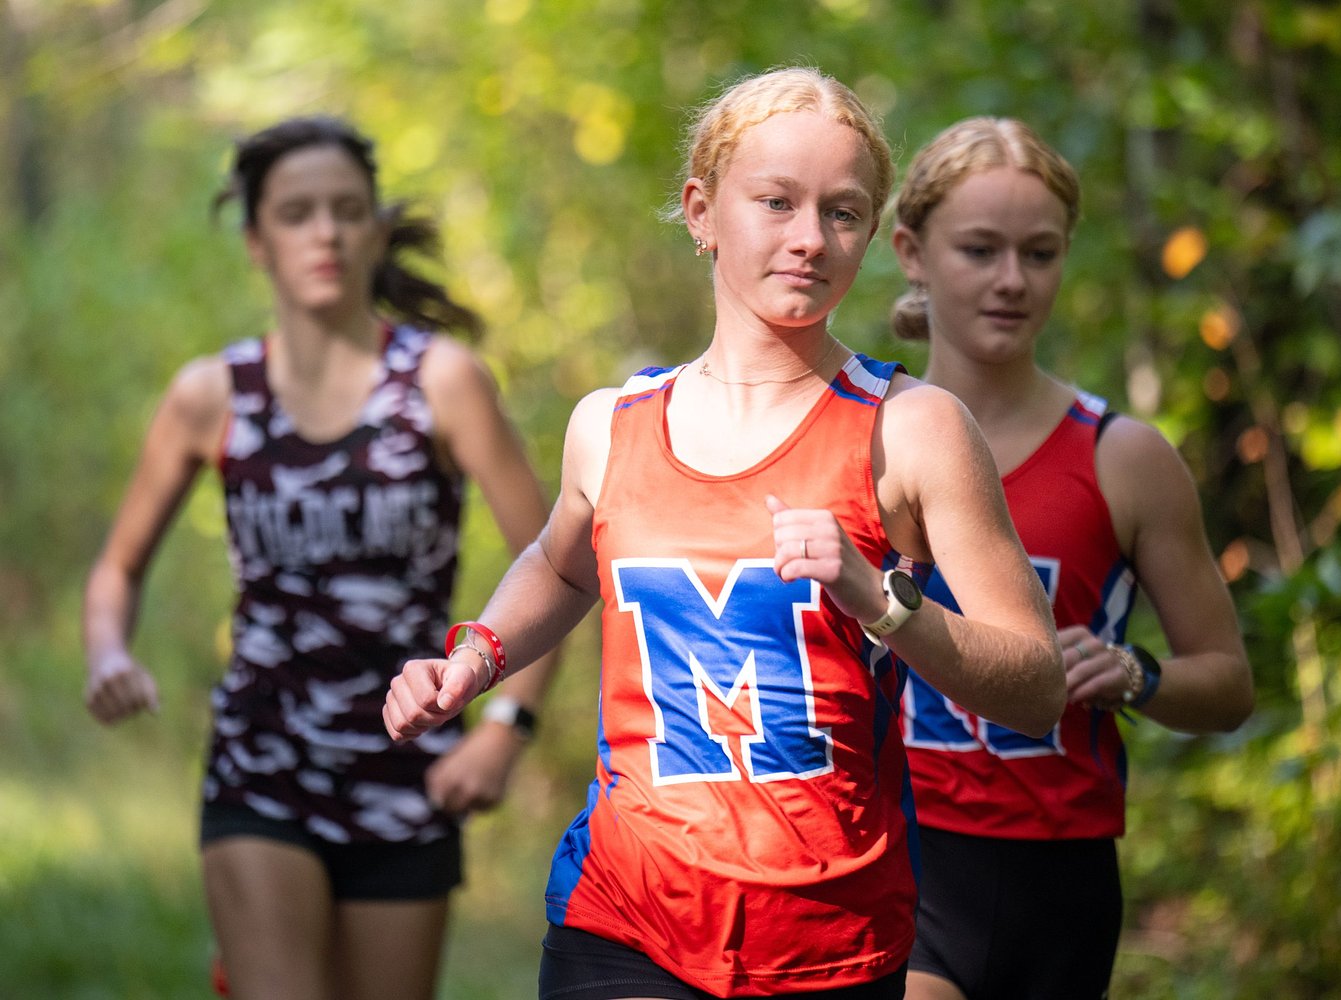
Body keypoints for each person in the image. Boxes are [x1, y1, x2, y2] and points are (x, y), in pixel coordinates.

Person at [382, 68, 1065, 999]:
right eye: (775, 202)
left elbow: (1037, 689)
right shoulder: (610, 423)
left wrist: (882, 602)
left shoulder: (915, 429)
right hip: (621, 917)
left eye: (843, 213)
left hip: (830, 941)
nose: (807, 239)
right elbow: (558, 566)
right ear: (702, 211)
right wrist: (474, 658)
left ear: (872, 234)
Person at [82, 115, 561, 1000]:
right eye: (297, 213)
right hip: (260, 764)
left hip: (407, 769)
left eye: (347, 210)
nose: (326, 233)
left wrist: (505, 732)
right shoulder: (211, 394)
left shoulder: (441, 381)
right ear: (257, 239)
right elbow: (118, 568)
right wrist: (108, 652)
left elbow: (558, 562)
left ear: (377, 228)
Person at [888, 116, 1256, 1000]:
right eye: (979, 250)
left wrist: (1135, 672)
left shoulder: (1123, 457)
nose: (1012, 281)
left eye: (1039, 254)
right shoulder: (857, 434)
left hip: (1062, 880)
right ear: (910, 251)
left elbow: (1231, 687)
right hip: (896, 853)